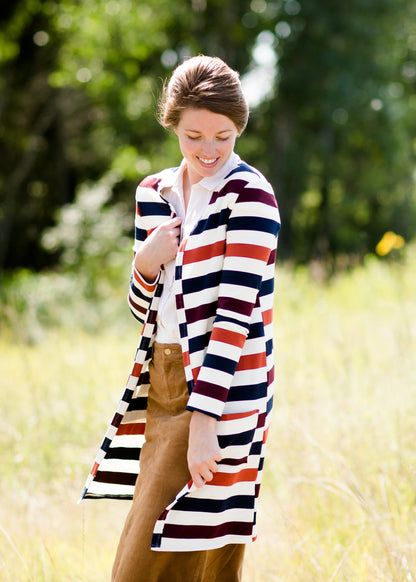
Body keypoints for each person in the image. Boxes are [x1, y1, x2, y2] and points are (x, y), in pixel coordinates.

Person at [80, 55, 281, 582]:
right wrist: (145, 262)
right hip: (163, 380)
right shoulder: (154, 193)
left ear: (239, 129)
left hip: (225, 387)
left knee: (161, 553)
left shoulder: (252, 197)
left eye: (223, 135)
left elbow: (236, 316)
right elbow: (144, 312)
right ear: (171, 125)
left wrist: (205, 424)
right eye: (194, 136)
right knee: (199, 555)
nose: (209, 150)